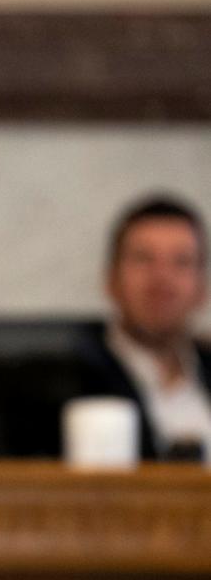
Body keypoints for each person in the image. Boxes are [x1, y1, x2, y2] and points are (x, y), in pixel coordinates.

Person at [80, 194, 211, 460]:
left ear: (202, 288)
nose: (162, 278)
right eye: (143, 259)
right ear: (111, 280)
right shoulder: (72, 379)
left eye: (181, 262)